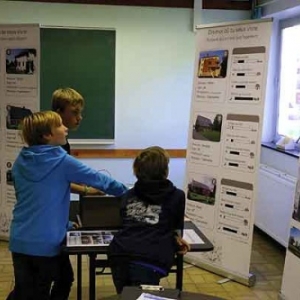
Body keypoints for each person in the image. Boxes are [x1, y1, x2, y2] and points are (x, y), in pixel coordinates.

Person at [6, 111, 127, 300]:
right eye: (60, 125)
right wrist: (131, 194)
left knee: (38, 286)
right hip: (44, 244)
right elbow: (100, 180)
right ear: (47, 135)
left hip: (20, 239)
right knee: (41, 290)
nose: (66, 128)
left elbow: (40, 198)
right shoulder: (62, 161)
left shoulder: (21, 162)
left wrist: (66, 225)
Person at [108, 146, 190, 294]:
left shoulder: (128, 195)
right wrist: (176, 238)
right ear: (165, 171)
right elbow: (176, 227)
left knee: (124, 296)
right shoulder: (177, 196)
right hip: (150, 258)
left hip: (119, 254)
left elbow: (125, 220)